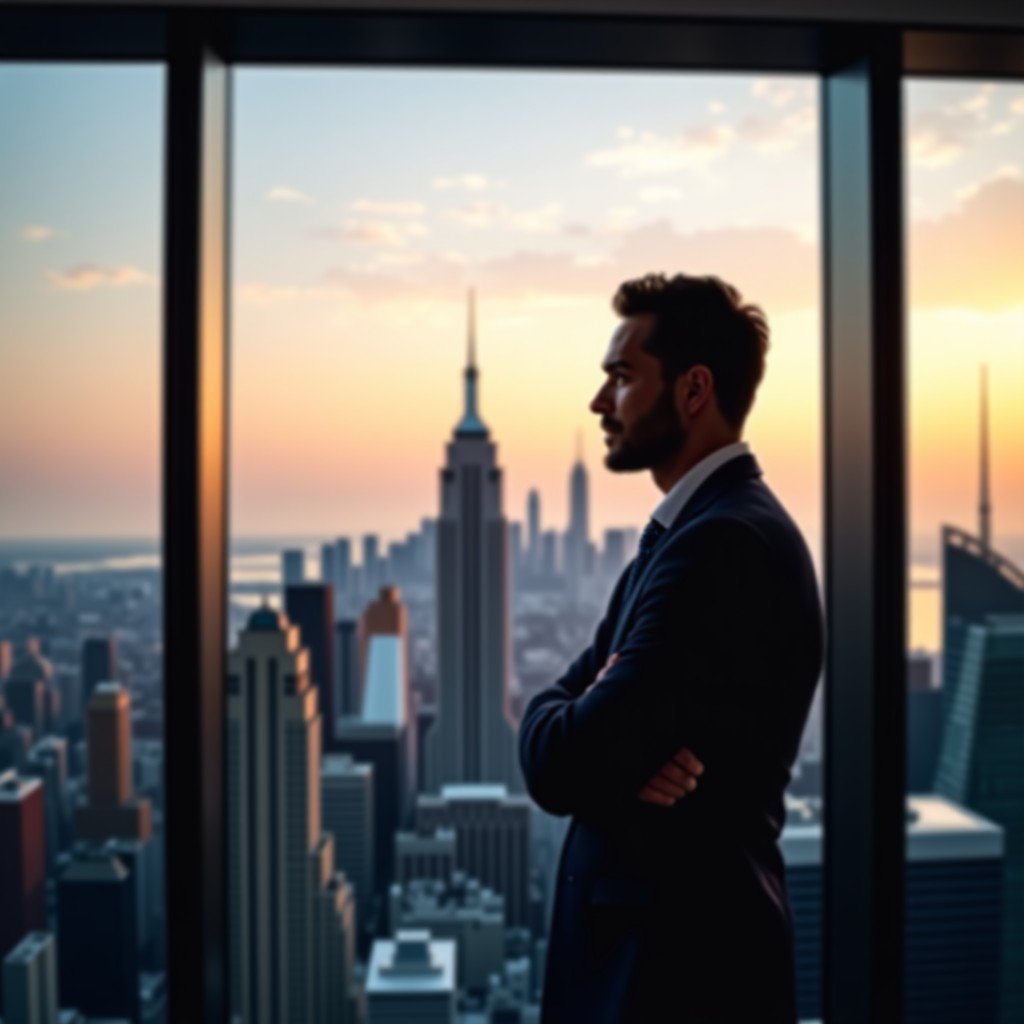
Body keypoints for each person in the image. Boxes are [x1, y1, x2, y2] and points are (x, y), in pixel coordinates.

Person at [518, 272, 825, 1023]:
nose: (599, 403)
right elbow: (562, 723)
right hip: (668, 964)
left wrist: (593, 721)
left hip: (673, 976)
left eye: (622, 377)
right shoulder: (691, 536)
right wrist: (594, 719)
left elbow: (562, 763)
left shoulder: (720, 545)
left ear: (692, 391)